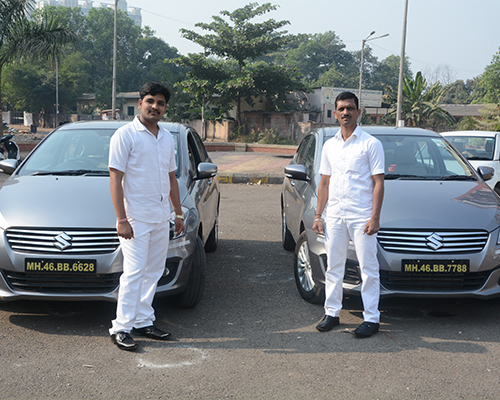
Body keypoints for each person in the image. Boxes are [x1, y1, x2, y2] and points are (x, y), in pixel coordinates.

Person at [108, 82, 185, 351]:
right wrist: (122, 219)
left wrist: (177, 213)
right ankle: (121, 327)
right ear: (140, 103)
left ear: (165, 108)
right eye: (150, 101)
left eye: (161, 103)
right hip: (136, 218)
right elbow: (115, 178)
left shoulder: (166, 137)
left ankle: (143, 320)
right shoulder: (125, 135)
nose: (155, 106)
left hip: (161, 216)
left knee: (153, 271)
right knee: (134, 272)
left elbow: (171, 178)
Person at [313, 92, 384, 338]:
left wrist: (375, 218)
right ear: (335, 113)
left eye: (350, 108)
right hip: (334, 216)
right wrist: (318, 215)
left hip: (361, 216)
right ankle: (332, 313)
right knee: (334, 266)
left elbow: (378, 183)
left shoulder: (370, 144)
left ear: (358, 112)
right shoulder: (329, 145)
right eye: (341, 109)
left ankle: (372, 318)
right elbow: (324, 183)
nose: (346, 112)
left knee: (368, 267)